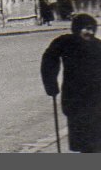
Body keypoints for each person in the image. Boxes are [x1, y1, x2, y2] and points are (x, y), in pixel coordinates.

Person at [42, 13, 101, 153]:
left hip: (96, 98)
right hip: (75, 99)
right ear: (77, 28)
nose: (90, 32)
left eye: (92, 29)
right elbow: (49, 59)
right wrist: (51, 84)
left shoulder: (97, 45)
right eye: (86, 28)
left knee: (95, 141)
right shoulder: (66, 42)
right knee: (83, 140)